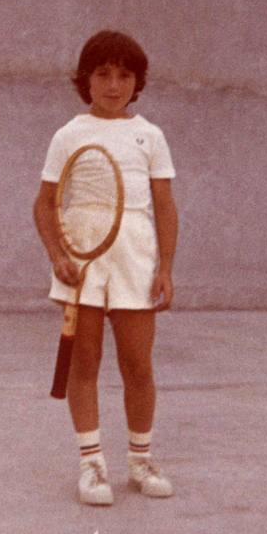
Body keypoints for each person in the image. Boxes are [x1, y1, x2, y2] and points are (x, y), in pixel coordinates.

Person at [33, 30, 178, 505]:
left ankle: (141, 459)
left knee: (138, 364)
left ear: (137, 82)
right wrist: (58, 255)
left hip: (135, 255)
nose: (114, 85)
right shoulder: (68, 135)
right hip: (83, 256)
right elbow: (45, 204)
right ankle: (92, 463)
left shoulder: (150, 135)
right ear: (86, 80)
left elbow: (164, 206)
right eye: (103, 74)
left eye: (124, 75)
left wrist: (165, 268)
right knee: (85, 362)